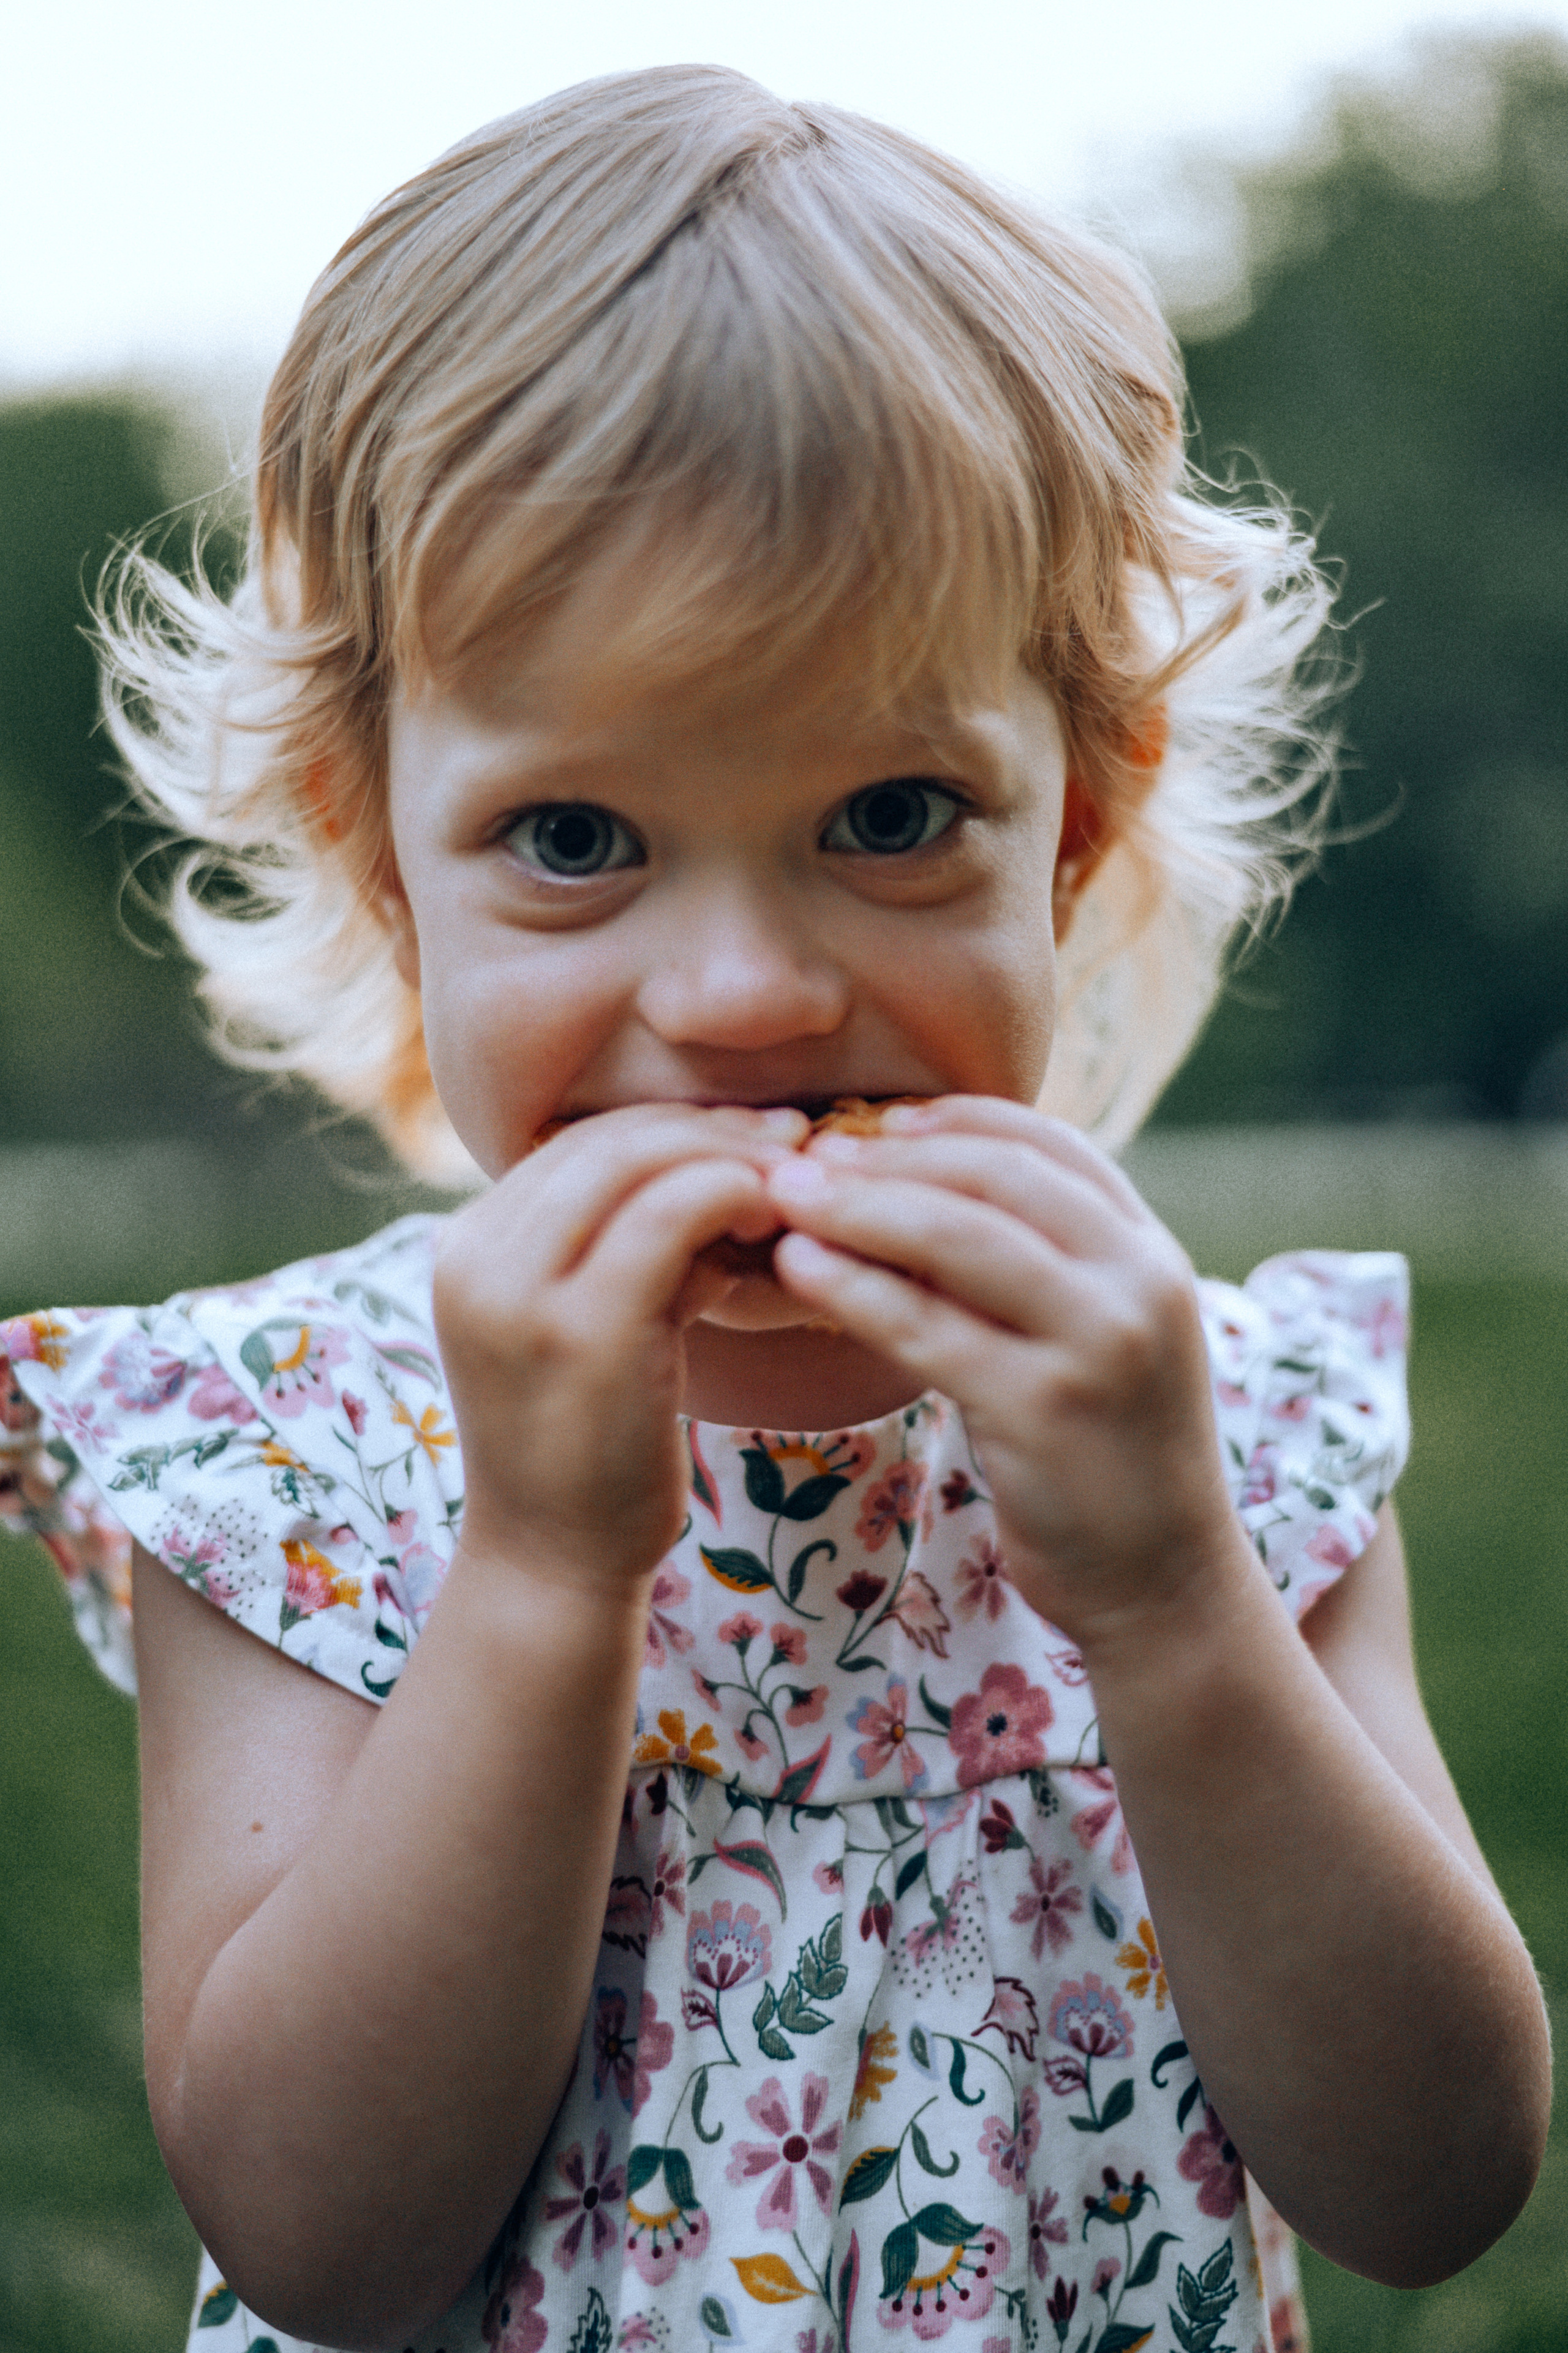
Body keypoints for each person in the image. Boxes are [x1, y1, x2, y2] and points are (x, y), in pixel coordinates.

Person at [0, 64, 1549, 2353]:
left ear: (1081, 828)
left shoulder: (1221, 1416)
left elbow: (1436, 2180)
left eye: (893, 807)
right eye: (575, 840)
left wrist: (1173, 1594)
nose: (739, 995)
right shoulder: (293, 1449)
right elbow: (319, 2233)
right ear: (379, 856)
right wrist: (536, 1572)